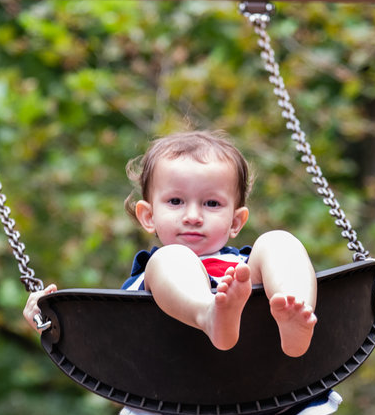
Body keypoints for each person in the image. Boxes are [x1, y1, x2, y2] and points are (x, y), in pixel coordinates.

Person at [25, 129, 317, 358]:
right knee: (169, 257)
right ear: (149, 216)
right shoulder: (152, 274)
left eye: (212, 203)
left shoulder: (244, 271)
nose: (192, 216)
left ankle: (294, 312)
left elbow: (268, 258)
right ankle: (209, 314)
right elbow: (105, 336)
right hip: (172, 376)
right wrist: (50, 318)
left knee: (279, 241)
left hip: (263, 362)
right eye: (175, 201)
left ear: (235, 222)